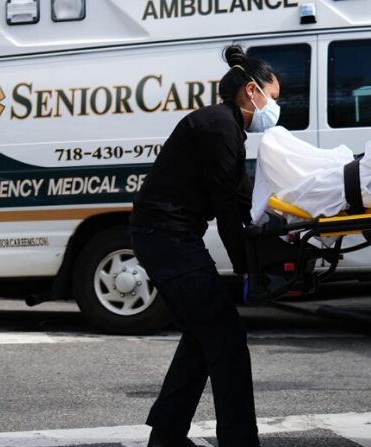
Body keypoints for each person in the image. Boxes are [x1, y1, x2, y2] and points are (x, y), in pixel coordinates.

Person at [129, 45, 280, 447]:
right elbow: (227, 205)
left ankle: (167, 435)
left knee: (203, 334)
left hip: (165, 237)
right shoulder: (220, 127)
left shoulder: (224, 125)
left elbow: (237, 197)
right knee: (227, 339)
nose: (274, 107)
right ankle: (239, 440)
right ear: (252, 91)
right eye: (274, 97)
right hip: (167, 238)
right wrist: (246, 265)